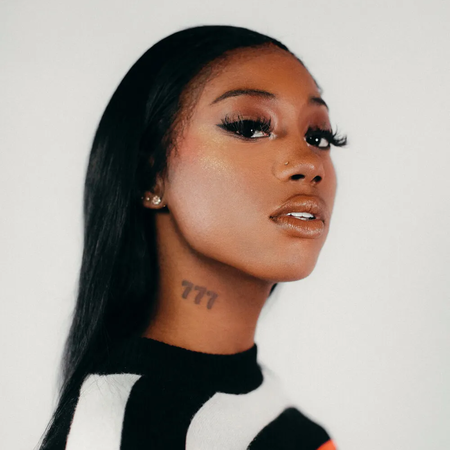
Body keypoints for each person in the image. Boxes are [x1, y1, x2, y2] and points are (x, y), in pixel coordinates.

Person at [37, 24, 347, 450]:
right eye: (249, 127)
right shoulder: (128, 429)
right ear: (152, 175)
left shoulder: (280, 418)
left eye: (319, 136)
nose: (309, 163)